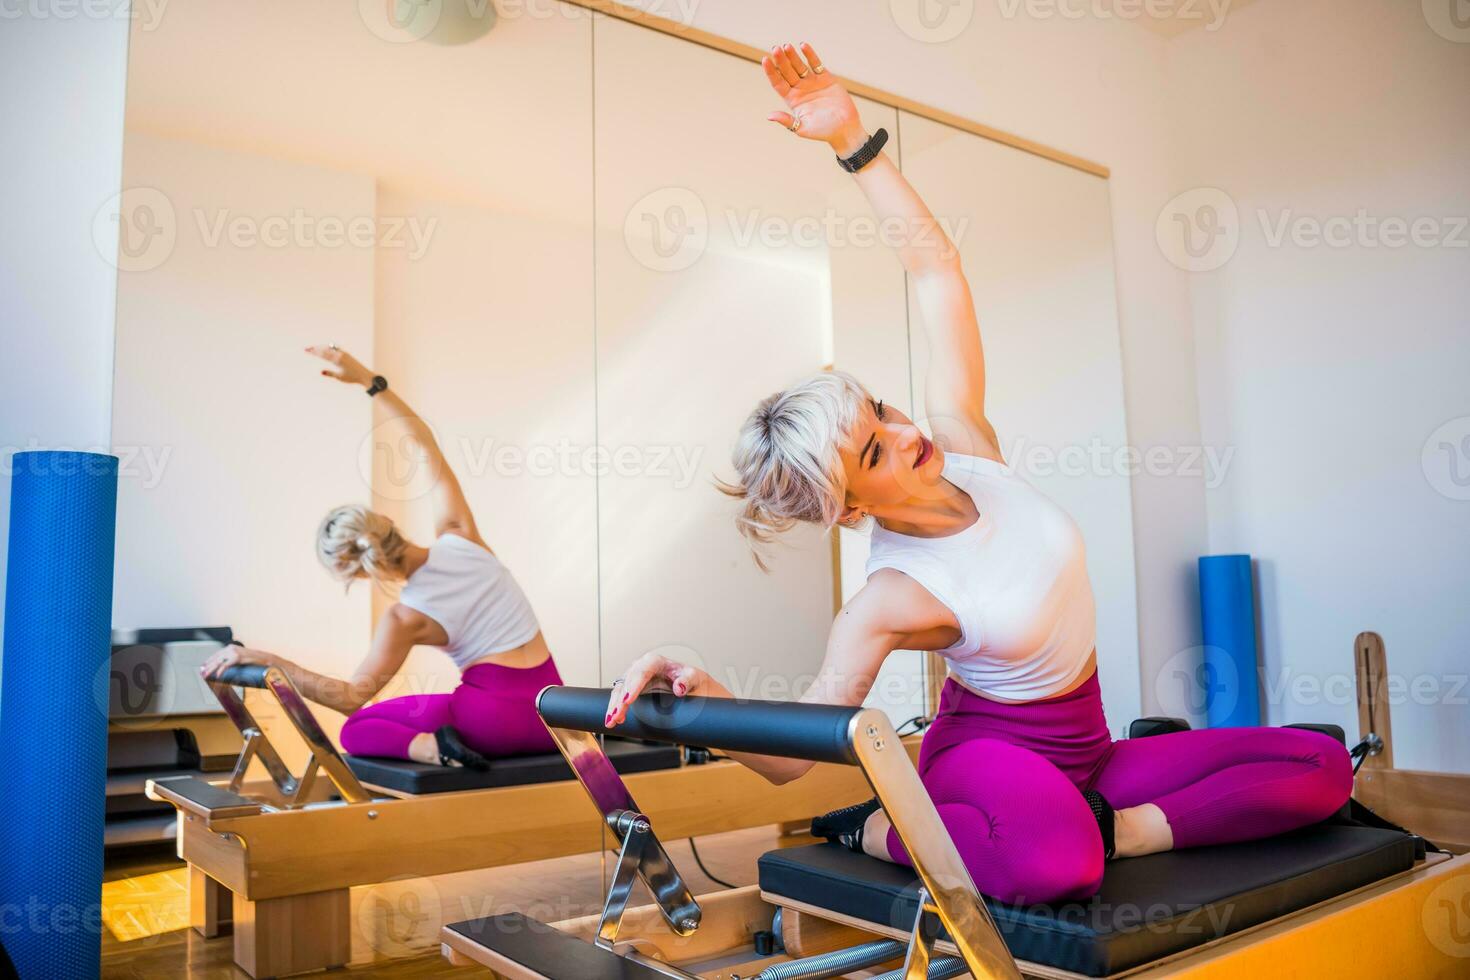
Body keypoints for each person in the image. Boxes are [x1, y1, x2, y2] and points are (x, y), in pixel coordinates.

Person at [607, 42, 1352, 904]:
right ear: (849, 508)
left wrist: (853, 139)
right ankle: (883, 824)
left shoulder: (968, 442)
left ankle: (1121, 829)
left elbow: (935, 270)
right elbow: (792, 754)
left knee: (1319, 765)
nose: (906, 430)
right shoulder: (888, 596)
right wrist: (704, 693)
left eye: (880, 408)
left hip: (1092, 755)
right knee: (1056, 866)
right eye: (873, 450)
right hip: (987, 760)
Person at [201, 345, 562, 770]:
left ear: (355, 572)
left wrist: (269, 659)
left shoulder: (403, 618)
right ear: (383, 525)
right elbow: (425, 444)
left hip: (489, 725)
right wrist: (370, 382)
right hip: (552, 714)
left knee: (358, 730)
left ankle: (433, 748)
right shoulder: (462, 536)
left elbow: (350, 698)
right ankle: (442, 745)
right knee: (381, 720)